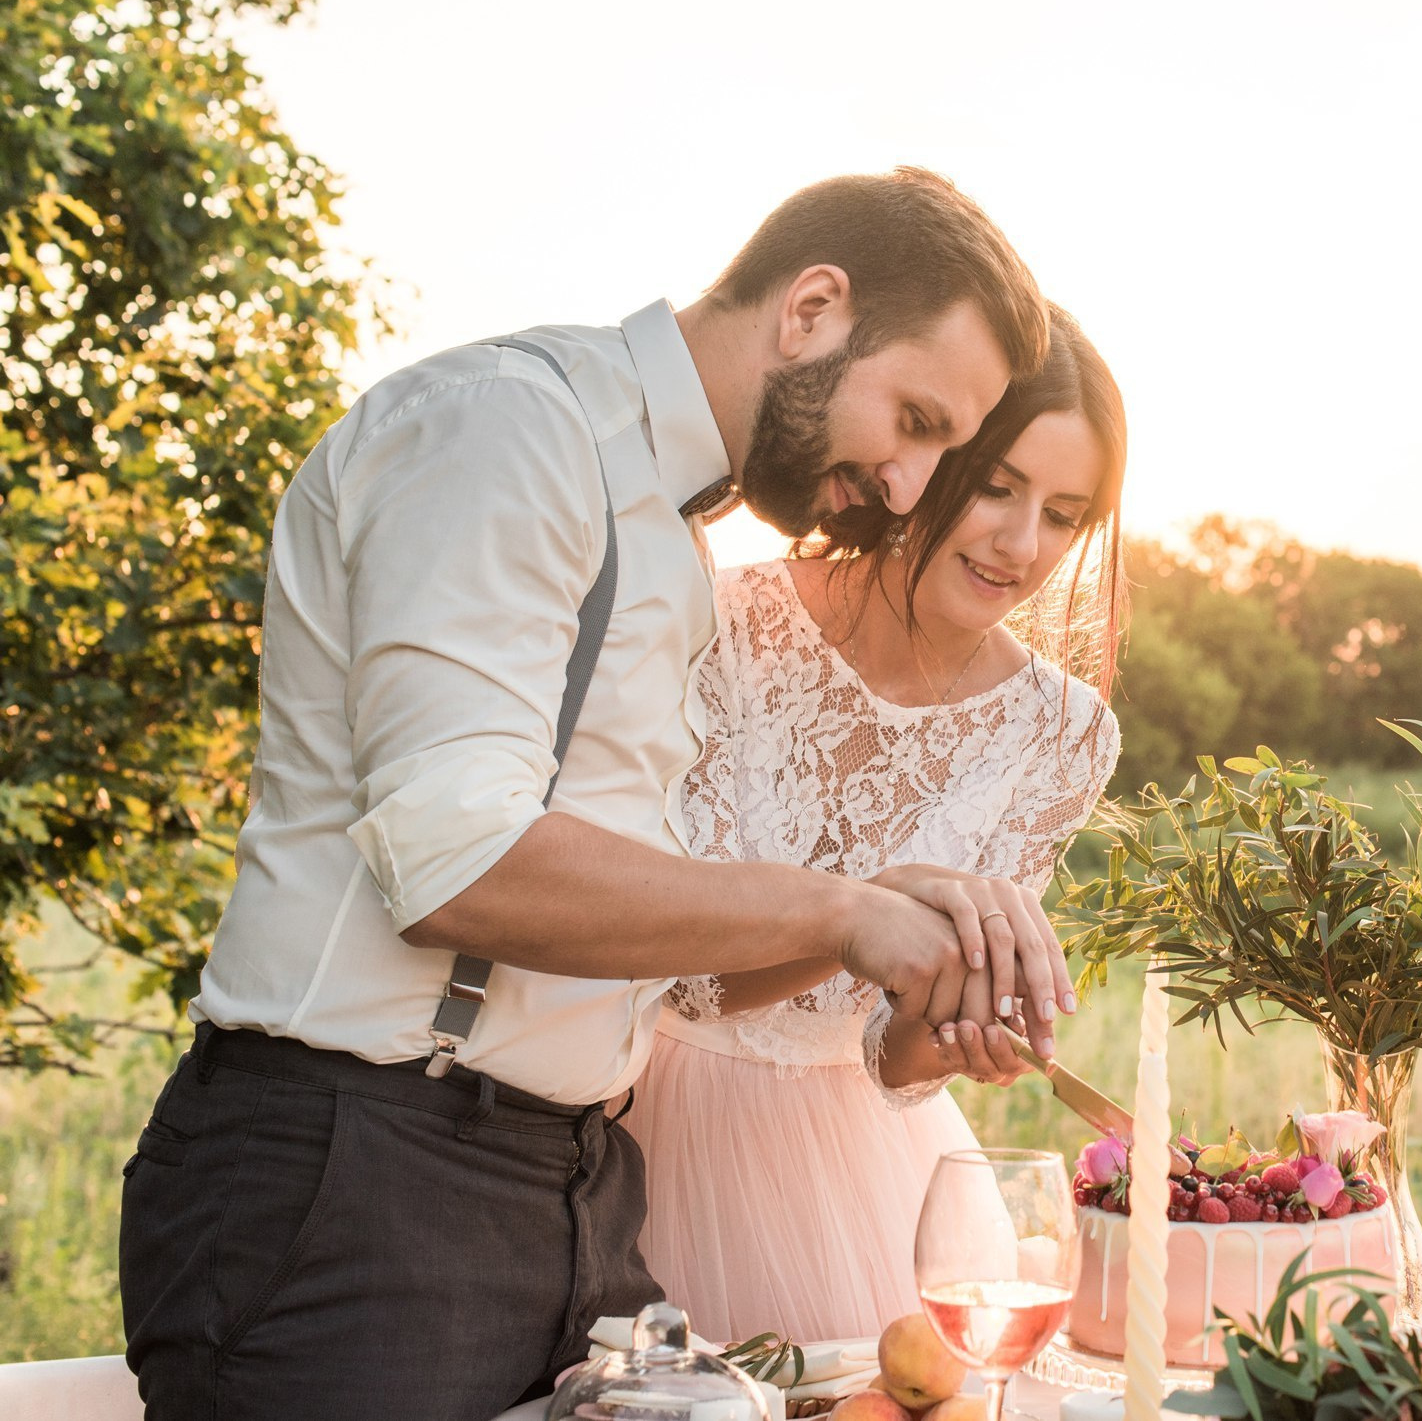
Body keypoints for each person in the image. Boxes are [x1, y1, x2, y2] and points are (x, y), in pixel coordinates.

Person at [117, 169, 1078, 1421]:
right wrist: (839, 912)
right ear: (813, 309)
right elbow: (459, 864)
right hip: (362, 1181)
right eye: (913, 420)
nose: (906, 485)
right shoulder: (505, 432)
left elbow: (653, 952)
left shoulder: (666, 530)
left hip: (573, 1191)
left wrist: (877, 909)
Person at [625, 307, 1126, 1345]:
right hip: (636, 1128)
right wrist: (863, 912)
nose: (1022, 545)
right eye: (997, 486)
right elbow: (676, 977)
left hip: (864, 1184)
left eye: (1065, 514)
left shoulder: (1063, 734)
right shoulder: (719, 623)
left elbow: (885, 1057)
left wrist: (947, 1038)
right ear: (925, 460)